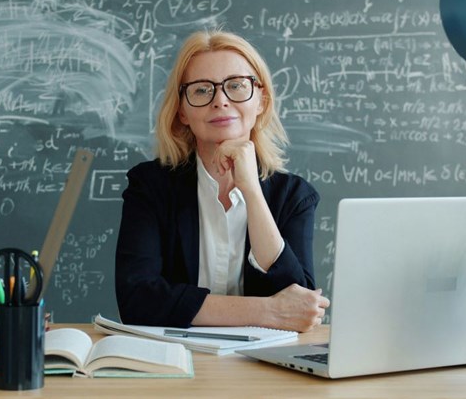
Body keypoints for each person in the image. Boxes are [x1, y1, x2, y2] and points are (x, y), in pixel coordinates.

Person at [115, 30, 329, 332]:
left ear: (261, 101)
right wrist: (267, 311)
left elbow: (299, 305)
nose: (220, 101)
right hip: (173, 362)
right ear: (182, 111)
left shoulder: (293, 195)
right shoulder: (150, 186)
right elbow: (137, 300)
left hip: (264, 369)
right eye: (202, 91)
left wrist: (252, 192)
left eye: (237, 86)